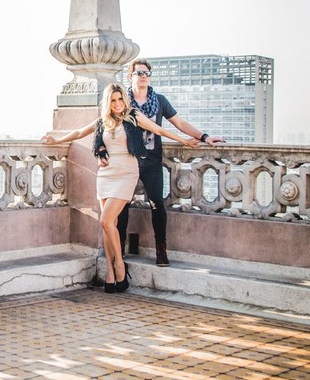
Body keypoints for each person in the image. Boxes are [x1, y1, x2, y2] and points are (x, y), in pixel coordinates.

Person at [43, 83, 198, 292]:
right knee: (108, 226)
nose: (117, 104)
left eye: (120, 99)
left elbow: (159, 129)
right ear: (108, 102)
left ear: (125, 99)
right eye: (113, 100)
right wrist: (56, 140)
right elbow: (80, 132)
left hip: (127, 172)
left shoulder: (133, 116)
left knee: (105, 221)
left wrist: (185, 141)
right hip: (106, 174)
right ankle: (111, 273)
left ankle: (119, 266)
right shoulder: (103, 121)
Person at [118, 59, 226, 267]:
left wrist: (204, 136)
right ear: (130, 76)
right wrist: (102, 147)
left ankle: (161, 249)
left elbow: (180, 123)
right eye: (139, 73)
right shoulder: (123, 102)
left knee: (157, 202)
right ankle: (119, 247)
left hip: (152, 161)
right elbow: (108, 125)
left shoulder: (159, 100)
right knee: (122, 205)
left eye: (147, 73)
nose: (144, 76)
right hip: (128, 160)